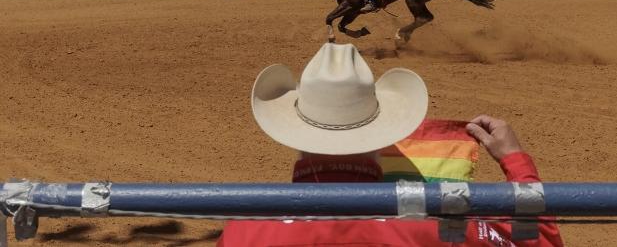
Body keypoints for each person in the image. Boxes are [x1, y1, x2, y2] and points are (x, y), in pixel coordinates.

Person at [217, 43, 563, 247]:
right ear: (381, 132)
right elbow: (541, 242)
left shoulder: (243, 228)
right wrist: (516, 162)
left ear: (294, 129)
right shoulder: (440, 222)